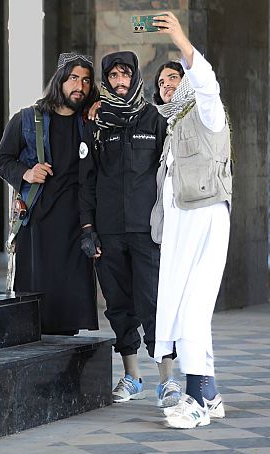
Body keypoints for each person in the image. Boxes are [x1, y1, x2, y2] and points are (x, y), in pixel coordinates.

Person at [78, 51, 179, 406]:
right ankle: (132, 376)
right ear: (106, 81)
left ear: (135, 77)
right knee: (119, 306)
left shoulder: (154, 119)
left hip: (147, 232)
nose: (120, 82)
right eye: (114, 77)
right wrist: (88, 228)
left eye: (126, 75)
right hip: (108, 233)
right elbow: (86, 179)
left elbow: (169, 175)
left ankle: (167, 379)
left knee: (153, 303)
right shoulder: (96, 122)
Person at [149, 12, 231, 429]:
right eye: (161, 83)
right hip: (180, 228)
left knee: (195, 310)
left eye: (173, 78)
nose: (166, 87)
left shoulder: (207, 112)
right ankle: (210, 393)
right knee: (184, 309)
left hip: (206, 219)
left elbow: (207, 81)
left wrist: (182, 41)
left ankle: (196, 402)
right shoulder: (171, 125)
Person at [0, 52, 99, 335]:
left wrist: (104, 106)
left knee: (68, 313)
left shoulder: (91, 121)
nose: (80, 86)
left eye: (86, 81)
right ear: (60, 81)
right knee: (35, 312)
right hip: (38, 224)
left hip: (77, 225)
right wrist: (26, 173)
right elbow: (1, 159)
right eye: (74, 78)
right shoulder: (28, 119)